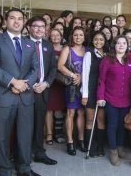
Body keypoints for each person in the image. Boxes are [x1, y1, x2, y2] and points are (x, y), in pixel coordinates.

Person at [0, 8, 39, 176]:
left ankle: (24, 167)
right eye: (13, 18)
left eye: (20, 19)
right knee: (2, 136)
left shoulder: (30, 43)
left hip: (25, 97)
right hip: (2, 96)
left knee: (24, 134)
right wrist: (13, 82)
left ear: (24, 22)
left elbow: (35, 69)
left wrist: (24, 84)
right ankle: (5, 169)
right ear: (6, 21)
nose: (17, 21)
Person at [97, 35, 131, 166]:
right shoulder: (107, 60)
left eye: (124, 43)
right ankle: (113, 151)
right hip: (110, 98)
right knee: (113, 124)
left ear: (128, 45)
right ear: (114, 45)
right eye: (118, 43)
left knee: (122, 125)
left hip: (127, 100)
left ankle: (120, 148)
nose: (121, 45)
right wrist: (100, 97)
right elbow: (101, 80)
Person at [26, 16, 58, 165]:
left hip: (42, 90)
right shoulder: (22, 43)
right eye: (36, 26)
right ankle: (22, 154)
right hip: (25, 90)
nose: (39, 29)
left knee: (39, 123)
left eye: (42, 26)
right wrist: (30, 84)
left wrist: (45, 83)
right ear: (29, 28)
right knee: (24, 124)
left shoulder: (48, 46)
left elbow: (53, 68)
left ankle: (39, 152)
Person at [57, 27, 87, 155]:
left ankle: (80, 140)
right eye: (76, 35)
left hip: (84, 87)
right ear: (72, 36)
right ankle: (70, 142)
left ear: (84, 37)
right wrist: (74, 75)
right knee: (71, 113)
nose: (78, 37)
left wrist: (81, 77)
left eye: (81, 35)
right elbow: (60, 66)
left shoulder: (87, 50)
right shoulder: (67, 49)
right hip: (72, 86)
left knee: (82, 113)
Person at [81, 31, 108, 157]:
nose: (98, 42)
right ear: (92, 41)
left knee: (101, 120)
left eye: (101, 39)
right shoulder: (89, 54)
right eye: (96, 39)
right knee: (90, 119)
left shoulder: (107, 55)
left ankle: (100, 147)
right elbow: (85, 75)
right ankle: (90, 147)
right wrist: (84, 94)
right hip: (91, 90)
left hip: (103, 91)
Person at [45, 28, 66, 145]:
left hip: (61, 83)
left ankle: (58, 133)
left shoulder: (65, 49)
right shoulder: (46, 48)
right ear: (49, 37)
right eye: (52, 35)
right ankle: (49, 134)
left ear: (61, 36)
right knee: (49, 109)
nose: (55, 37)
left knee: (58, 109)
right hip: (49, 83)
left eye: (57, 35)